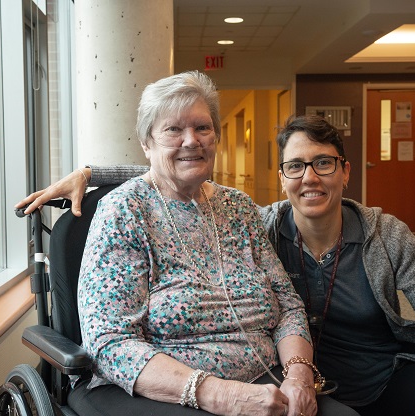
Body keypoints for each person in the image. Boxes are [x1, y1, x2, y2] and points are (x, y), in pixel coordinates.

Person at [19, 111, 415, 414]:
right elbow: (179, 172)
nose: (310, 177)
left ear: (346, 171)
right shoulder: (262, 222)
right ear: (282, 177)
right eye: (296, 166)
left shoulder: (383, 234)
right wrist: (90, 172)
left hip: (375, 376)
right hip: (296, 379)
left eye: (324, 163)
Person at [30, 71, 360, 416]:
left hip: (266, 378)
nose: (192, 140)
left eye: (202, 128)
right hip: (159, 391)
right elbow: (110, 343)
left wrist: (299, 375)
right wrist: (221, 395)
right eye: (173, 129)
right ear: (147, 143)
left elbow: (288, 307)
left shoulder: (239, 208)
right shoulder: (125, 211)